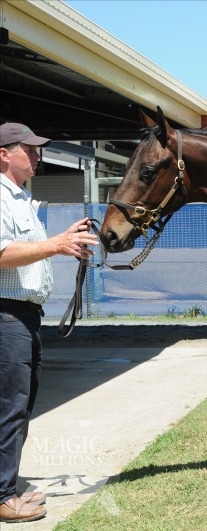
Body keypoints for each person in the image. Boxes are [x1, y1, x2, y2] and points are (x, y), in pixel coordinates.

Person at [0, 122, 99, 524]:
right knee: (10, 408)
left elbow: (26, 250)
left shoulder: (20, 197)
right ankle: (3, 496)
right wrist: (56, 244)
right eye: (30, 149)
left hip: (22, 316)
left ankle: (6, 484)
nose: (38, 155)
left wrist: (62, 240)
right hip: (5, 315)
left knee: (17, 407)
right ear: (4, 153)